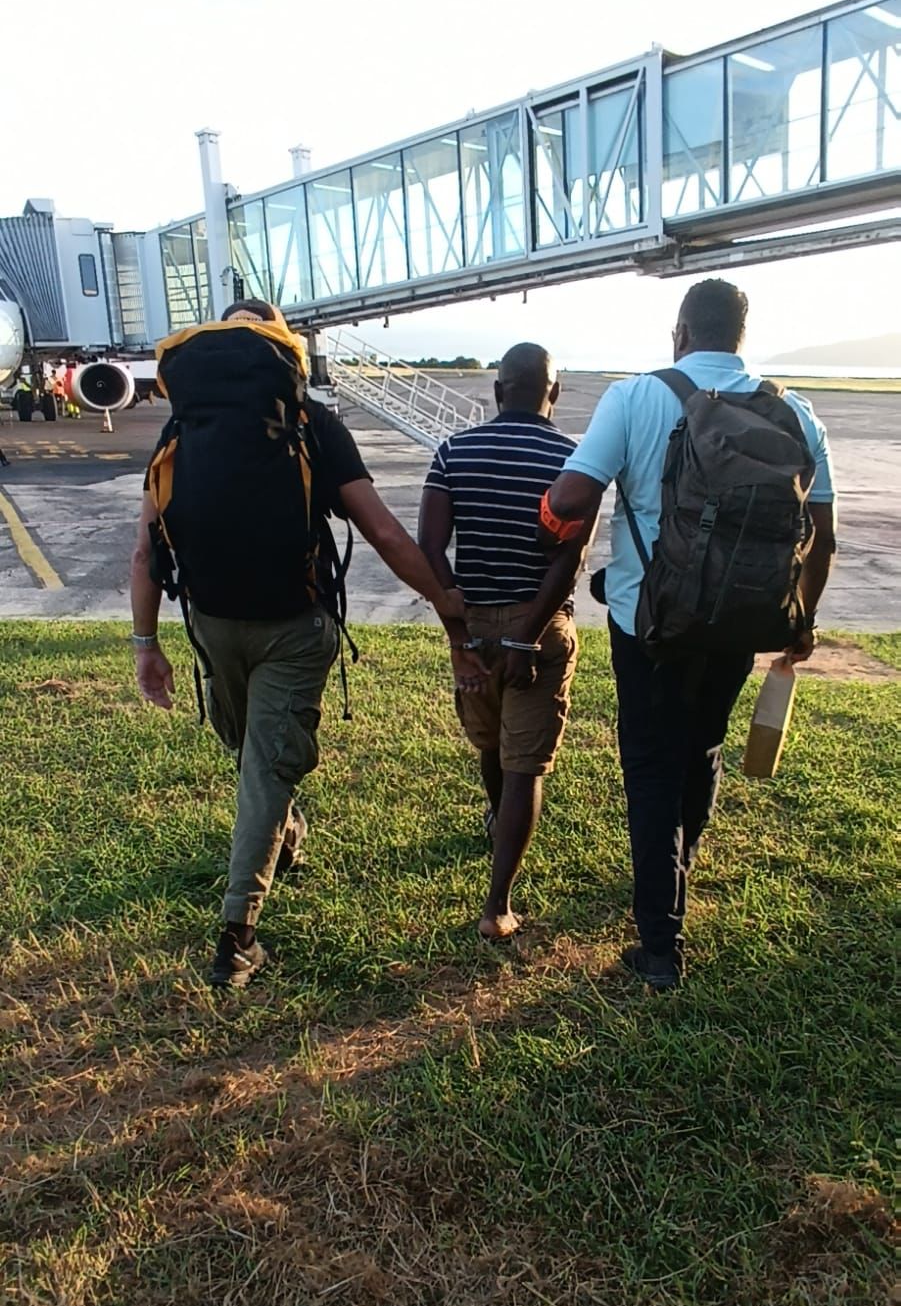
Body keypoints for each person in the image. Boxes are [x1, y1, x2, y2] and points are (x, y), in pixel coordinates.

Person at [131, 299, 465, 988]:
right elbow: (384, 532)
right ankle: (241, 930)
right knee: (263, 763)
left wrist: (145, 643)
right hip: (294, 626)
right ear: (284, 349)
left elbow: (146, 550)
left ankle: (258, 881)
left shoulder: (182, 426)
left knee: (257, 757)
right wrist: (445, 600)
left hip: (211, 622)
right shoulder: (312, 422)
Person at [542, 279, 837, 989]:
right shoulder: (795, 411)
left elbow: (572, 496)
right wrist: (801, 618)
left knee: (650, 766)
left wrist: (549, 510)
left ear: (679, 333)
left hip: (649, 621)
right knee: (701, 746)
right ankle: (680, 866)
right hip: (740, 618)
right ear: (740, 336)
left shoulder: (634, 396)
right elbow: (821, 537)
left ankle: (659, 947)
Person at [419, 342, 591, 940]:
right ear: (554, 393)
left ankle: (498, 821)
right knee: (524, 768)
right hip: (537, 630)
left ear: (497, 392)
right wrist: (527, 637)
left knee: (492, 746)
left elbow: (430, 548)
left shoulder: (453, 451)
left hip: (473, 627)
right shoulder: (574, 460)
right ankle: (498, 907)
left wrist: (459, 636)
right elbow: (569, 560)